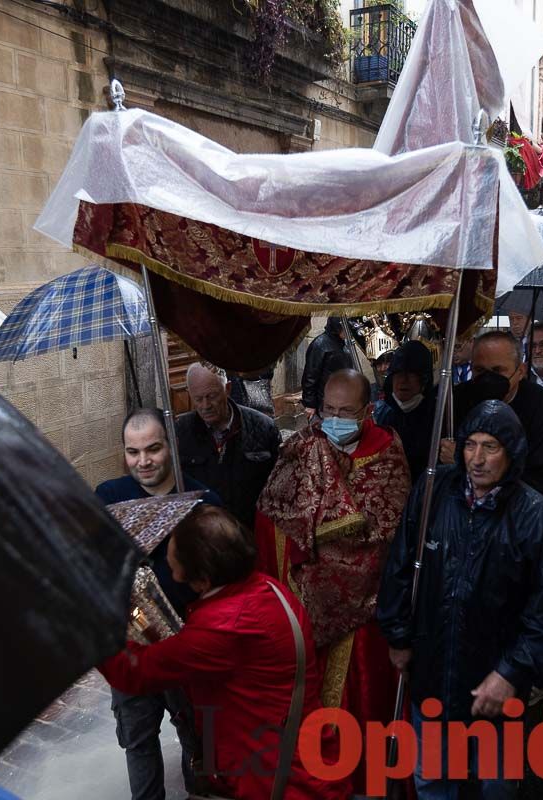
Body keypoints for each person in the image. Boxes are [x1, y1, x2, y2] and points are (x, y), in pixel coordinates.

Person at [377, 401, 543, 799]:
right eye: (470, 445)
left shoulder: (534, 517)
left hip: (497, 678)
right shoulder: (433, 493)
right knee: (433, 776)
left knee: (497, 782)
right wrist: (398, 635)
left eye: (491, 447)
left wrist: (511, 674)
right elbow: (400, 565)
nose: (478, 459)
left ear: (513, 452)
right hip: (433, 670)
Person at [99, 506, 351, 800]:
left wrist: (95, 626)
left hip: (277, 780)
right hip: (304, 761)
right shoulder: (269, 587)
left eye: (174, 560)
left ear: (202, 578)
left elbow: (133, 671)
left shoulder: (223, 626)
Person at [255, 369, 410, 794]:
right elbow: (273, 511)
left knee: (364, 704)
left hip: (367, 618)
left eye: (346, 411)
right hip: (307, 611)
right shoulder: (302, 447)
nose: (335, 419)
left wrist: (331, 556)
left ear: (368, 411)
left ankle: (367, 781)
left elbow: (386, 532)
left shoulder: (388, 454)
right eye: (328, 410)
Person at [95, 408, 220, 800]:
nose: (143, 461)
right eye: (133, 452)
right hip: (130, 646)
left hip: (188, 644)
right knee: (138, 739)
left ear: (171, 447)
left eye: (153, 449)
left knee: (198, 738)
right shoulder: (108, 498)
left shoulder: (202, 501)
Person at [444, 331, 543, 504]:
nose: (488, 378)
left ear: (521, 371)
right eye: (479, 370)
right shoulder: (456, 400)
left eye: (497, 370)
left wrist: (463, 461)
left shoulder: (542, 406)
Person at [178, 364, 280, 531]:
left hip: (250, 534)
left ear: (227, 389)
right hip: (203, 538)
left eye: (211, 396)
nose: (205, 405)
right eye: (198, 399)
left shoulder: (263, 427)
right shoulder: (180, 433)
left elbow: (277, 488)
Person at [374, 340, 437, 481]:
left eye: (411, 374)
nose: (403, 380)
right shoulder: (381, 415)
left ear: (424, 379)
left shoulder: (438, 419)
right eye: (398, 373)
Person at [301, 317, 353, 416]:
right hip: (325, 401)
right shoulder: (320, 344)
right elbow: (310, 375)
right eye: (344, 328)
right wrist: (310, 404)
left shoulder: (344, 344)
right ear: (336, 328)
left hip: (342, 398)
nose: (348, 332)